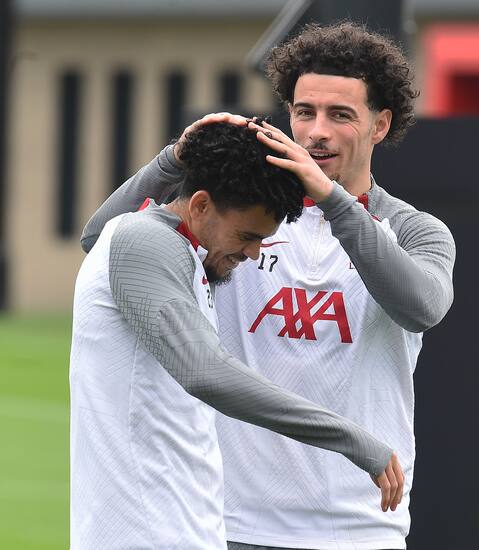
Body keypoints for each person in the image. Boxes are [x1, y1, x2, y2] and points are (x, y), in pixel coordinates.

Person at [82, 22, 455, 550]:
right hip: (232, 522)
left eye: (340, 115)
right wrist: (173, 159)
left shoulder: (416, 230)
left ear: (380, 124)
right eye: (304, 112)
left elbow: (423, 307)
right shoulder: (244, 214)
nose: (316, 132)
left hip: (357, 527)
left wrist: (333, 202)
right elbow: (101, 240)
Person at [70, 119, 404, 550]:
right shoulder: (144, 241)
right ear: (201, 205)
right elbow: (206, 372)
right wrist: (351, 438)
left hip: (187, 531)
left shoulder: (180, 249)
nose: (252, 253)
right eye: (247, 236)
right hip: (142, 534)